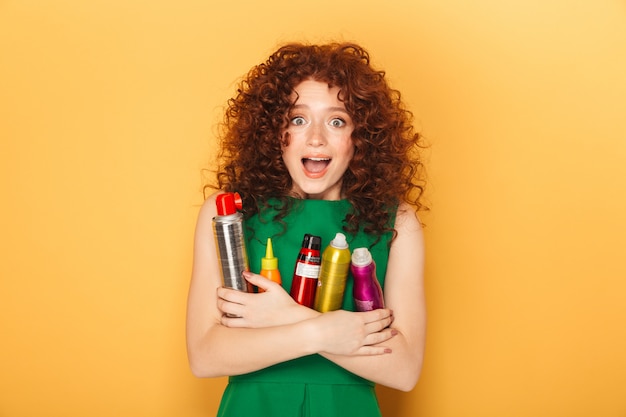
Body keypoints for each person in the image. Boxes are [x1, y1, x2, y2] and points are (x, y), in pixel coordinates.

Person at [186, 41, 427, 417]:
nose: (316, 138)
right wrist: (322, 332)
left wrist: (285, 316)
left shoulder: (398, 222)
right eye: (297, 119)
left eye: (337, 121)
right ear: (273, 134)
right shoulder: (228, 214)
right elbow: (204, 357)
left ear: (360, 137)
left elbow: (404, 370)